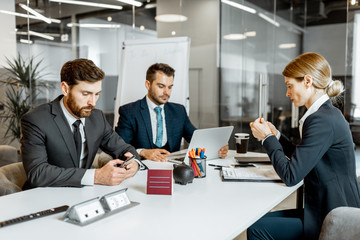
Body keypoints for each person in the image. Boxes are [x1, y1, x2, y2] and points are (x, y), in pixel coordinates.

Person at [248, 52, 360, 240]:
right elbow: (305, 157)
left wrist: (267, 138)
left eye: (290, 86)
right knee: (259, 223)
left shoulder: (321, 120)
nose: (287, 93)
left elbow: (291, 175)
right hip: (330, 207)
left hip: (333, 217)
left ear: (308, 81)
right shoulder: (327, 114)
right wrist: (276, 135)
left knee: (257, 229)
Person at [21, 59, 141, 189]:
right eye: (86, 94)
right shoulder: (36, 120)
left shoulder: (97, 118)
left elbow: (124, 149)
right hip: (44, 197)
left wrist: (134, 163)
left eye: (97, 94)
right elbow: (38, 173)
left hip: (82, 195)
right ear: (65, 89)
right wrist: (96, 176)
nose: (93, 102)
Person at [115, 63, 228, 161]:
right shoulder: (129, 112)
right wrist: (143, 152)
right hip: (141, 171)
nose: (166, 92)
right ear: (148, 85)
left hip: (173, 171)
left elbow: (196, 138)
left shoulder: (179, 111)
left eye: (170, 87)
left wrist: (217, 146)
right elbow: (119, 149)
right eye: (161, 86)